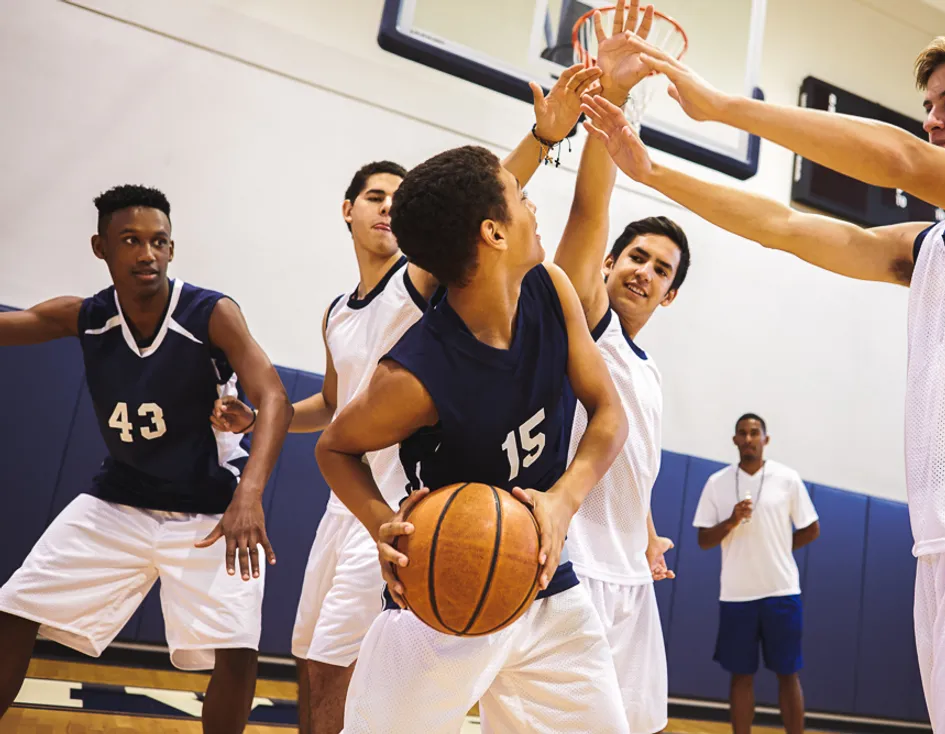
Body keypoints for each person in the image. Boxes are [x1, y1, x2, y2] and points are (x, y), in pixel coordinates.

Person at [584, 31, 945, 734]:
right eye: (928, 105)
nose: (933, 120)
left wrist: (725, 107)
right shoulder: (932, 244)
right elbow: (783, 226)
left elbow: (902, 159)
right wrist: (651, 172)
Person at [208, 63, 603, 734]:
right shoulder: (340, 313)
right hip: (367, 501)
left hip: (428, 500)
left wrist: (543, 137)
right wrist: (269, 420)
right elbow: (335, 410)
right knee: (315, 660)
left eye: (398, 197)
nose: (388, 207)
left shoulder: (418, 280)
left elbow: (482, 208)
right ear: (347, 209)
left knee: (344, 664)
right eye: (375, 195)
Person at [313, 139, 631, 733]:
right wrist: (381, 522)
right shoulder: (414, 376)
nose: (532, 205)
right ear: (494, 233)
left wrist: (563, 500)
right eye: (520, 196)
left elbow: (609, 412)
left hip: (545, 582)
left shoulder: (551, 289)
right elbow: (334, 446)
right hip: (444, 588)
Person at [0, 184, 292, 734]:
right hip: (119, 500)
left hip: (211, 509)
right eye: (131, 240)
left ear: (172, 249)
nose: (147, 253)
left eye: (159, 241)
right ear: (101, 247)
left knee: (236, 648)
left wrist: (250, 494)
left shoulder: (210, 313)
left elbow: (274, 396)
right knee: (13, 609)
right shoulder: (88, 316)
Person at [550, 2, 688, 731]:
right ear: (608, 264)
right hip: (573, 564)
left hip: (631, 572)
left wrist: (647, 529)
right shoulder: (589, 323)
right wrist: (615, 97)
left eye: (662, 269)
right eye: (636, 257)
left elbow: (633, 461)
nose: (645, 271)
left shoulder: (649, 369)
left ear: (670, 295)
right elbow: (588, 209)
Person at [693, 414, 819, 734]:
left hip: (781, 592)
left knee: (788, 673)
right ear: (735, 440)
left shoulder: (787, 478)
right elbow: (704, 540)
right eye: (742, 433)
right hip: (737, 595)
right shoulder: (717, 482)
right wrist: (731, 521)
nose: (748, 438)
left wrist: (780, 547)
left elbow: (811, 528)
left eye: (754, 433)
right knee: (740, 675)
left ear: (765, 439)